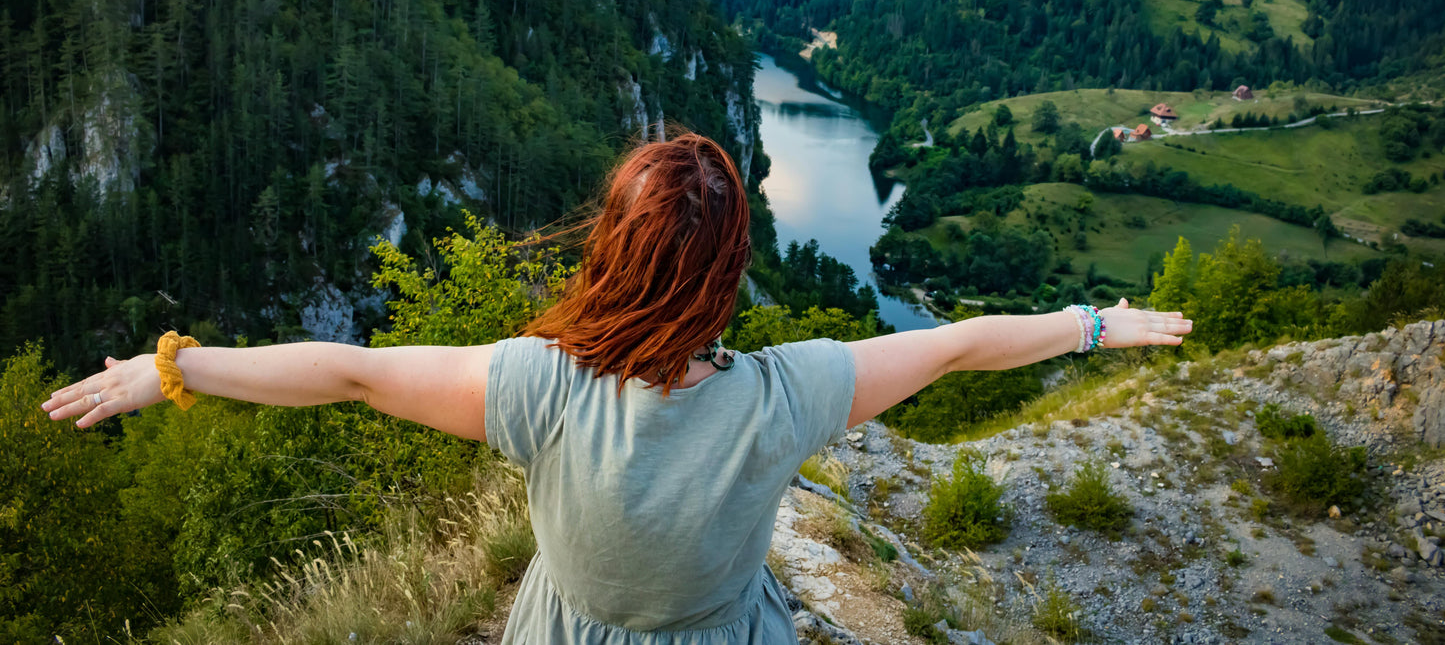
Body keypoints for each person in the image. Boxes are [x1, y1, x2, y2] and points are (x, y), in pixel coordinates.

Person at [44, 132, 1190, 644]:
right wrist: (1092, 323)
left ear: (608, 256)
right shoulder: (786, 395)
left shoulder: (534, 386)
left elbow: (343, 371)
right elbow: (955, 345)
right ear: (731, 271)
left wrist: (173, 369)